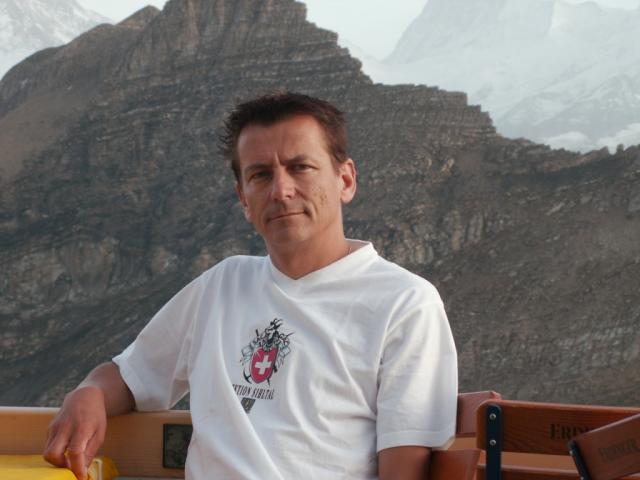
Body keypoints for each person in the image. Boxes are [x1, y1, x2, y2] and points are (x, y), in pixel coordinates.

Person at [44, 92, 458, 479]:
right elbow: (130, 376)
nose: (281, 190)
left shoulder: (405, 304)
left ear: (345, 180)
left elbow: (405, 469)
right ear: (243, 198)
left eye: (300, 167)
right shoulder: (222, 285)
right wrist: (90, 392)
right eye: (260, 175)